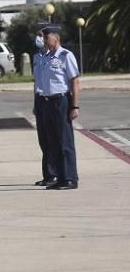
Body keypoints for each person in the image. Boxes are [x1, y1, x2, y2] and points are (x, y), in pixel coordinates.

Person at [32, 24, 80, 190]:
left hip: (61, 101)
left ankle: (70, 178)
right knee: (52, 142)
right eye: (43, 37)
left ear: (56, 37)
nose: (44, 40)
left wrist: (75, 106)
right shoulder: (44, 57)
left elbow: (74, 81)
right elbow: (39, 82)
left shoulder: (66, 56)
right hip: (46, 102)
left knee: (64, 141)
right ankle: (59, 177)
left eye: (46, 37)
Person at [30, 28, 56, 187]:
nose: (39, 39)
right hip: (39, 99)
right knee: (43, 140)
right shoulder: (36, 57)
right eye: (38, 36)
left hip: (50, 100)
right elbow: (36, 81)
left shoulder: (53, 57)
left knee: (52, 139)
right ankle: (47, 175)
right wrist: (34, 102)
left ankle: (54, 174)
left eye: (41, 36)